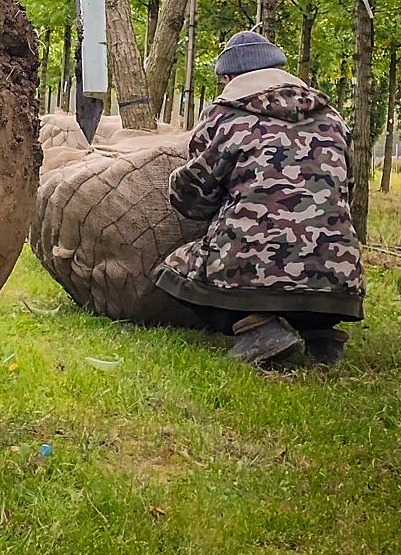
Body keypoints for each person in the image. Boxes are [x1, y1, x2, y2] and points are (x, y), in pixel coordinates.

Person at [155, 30, 366, 368]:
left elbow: (195, 196)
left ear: (229, 77)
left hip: (251, 268)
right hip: (339, 278)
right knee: (309, 278)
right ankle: (322, 334)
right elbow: (346, 191)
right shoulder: (332, 117)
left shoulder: (225, 114)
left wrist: (176, 184)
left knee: (172, 271)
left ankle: (257, 329)